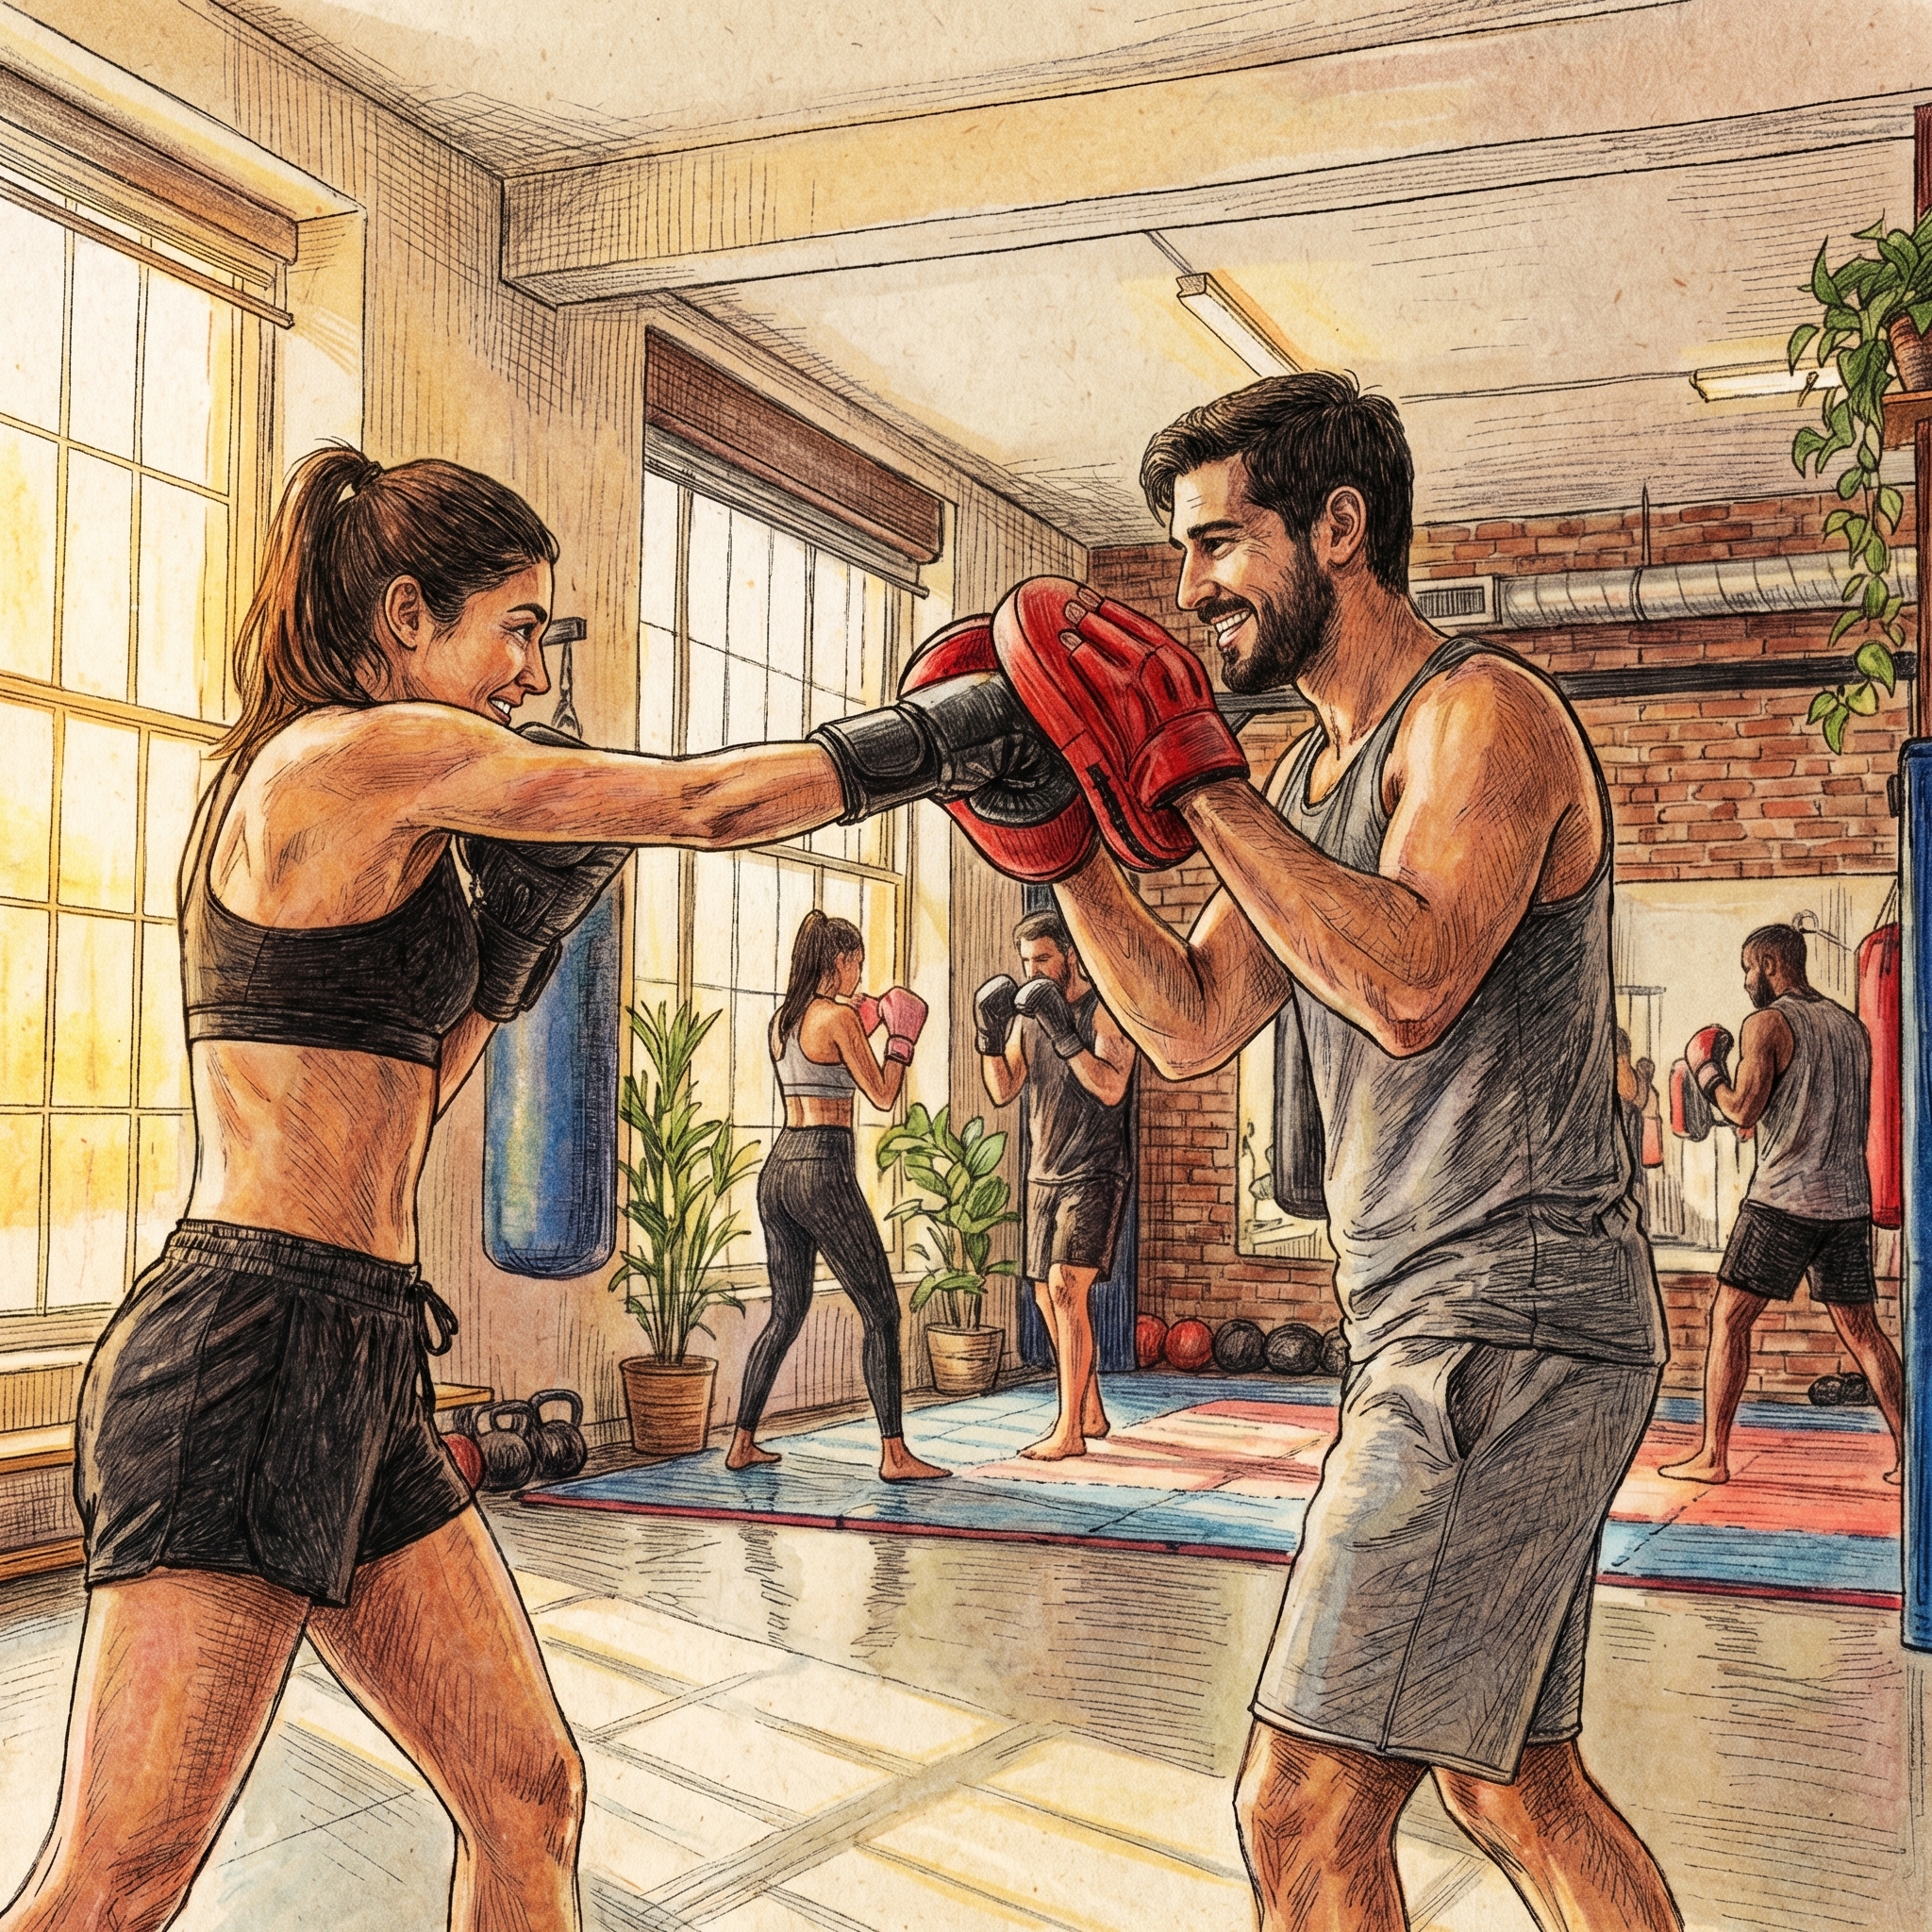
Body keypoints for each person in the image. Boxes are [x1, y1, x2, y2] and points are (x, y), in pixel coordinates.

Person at [8, 443, 1070, 1932]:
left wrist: (504, 966)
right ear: (402, 620)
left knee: (528, 1796)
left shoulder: (387, 805)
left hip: (356, 1347)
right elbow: (697, 805)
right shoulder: (349, 755)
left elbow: (402, 1100)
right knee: (112, 1888)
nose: (528, 671)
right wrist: (941, 737)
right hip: (246, 1354)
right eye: (514, 627)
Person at [989, 374, 1680, 1931]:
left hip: (1504, 1321)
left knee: (1296, 1811)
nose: (1190, 593)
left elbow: (1412, 978)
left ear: (1339, 528)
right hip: (1445, 1323)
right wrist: (1061, 847)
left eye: (1221, 543)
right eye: (1177, 554)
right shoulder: (1306, 781)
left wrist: (1194, 782)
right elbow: (1181, 1021)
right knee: (1514, 1781)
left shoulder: (1479, 718)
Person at [1662, 924, 1904, 1486]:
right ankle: (1911, 1454)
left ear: (1771, 962)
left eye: (1749, 968)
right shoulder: (1851, 1027)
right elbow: (1814, 1108)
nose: (1747, 981)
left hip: (1782, 1200)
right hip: (1845, 1203)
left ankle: (1713, 1458)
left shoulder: (1766, 1022)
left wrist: (1706, 1073)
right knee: (1863, 1331)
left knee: (1728, 1317)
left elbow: (1743, 1110)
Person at [727, 911, 948, 1482]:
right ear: (837, 962)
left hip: (779, 1169)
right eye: (855, 962)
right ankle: (895, 1454)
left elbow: (821, 1058)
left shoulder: (784, 1019)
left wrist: (868, 1018)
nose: (859, 973)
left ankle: (742, 1441)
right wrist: (900, 1040)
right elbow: (879, 1092)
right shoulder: (840, 1017)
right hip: (823, 1167)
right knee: (882, 1310)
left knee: (787, 1311)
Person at [976, 909, 1137, 1459]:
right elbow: (1004, 1090)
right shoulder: (1028, 1016)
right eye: (1026, 963)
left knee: (1068, 1286)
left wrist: (1067, 1036)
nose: (1033, 973)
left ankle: (1067, 1431)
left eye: (1042, 959)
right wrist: (990, 1038)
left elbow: (1113, 1088)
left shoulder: (1108, 1010)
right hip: (1043, 1171)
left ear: (1070, 952)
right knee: (1048, 1295)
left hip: (1095, 1168)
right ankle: (1090, 1410)